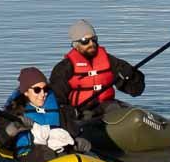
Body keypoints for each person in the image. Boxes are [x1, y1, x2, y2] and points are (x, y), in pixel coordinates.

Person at [47, 19, 145, 149]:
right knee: (83, 119)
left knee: (115, 109)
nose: (91, 44)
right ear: (75, 44)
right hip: (81, 111)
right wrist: (69, 113)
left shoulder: (110, 61)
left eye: (94, 39)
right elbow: (57, 100)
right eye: (85, 41)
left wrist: (133, 76)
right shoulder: (64, 68)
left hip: (106, 106)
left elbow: (136, 91)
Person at [0, 66, 75, 162]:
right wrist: (13, 128)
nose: (42, 94)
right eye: (37, 90)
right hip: (28, 155)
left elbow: (72, 131)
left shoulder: (59, 110)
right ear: (26, 92)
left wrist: (78, 142)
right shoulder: (13, 113)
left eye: (45, 89)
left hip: (59, 151)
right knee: (45, 153)